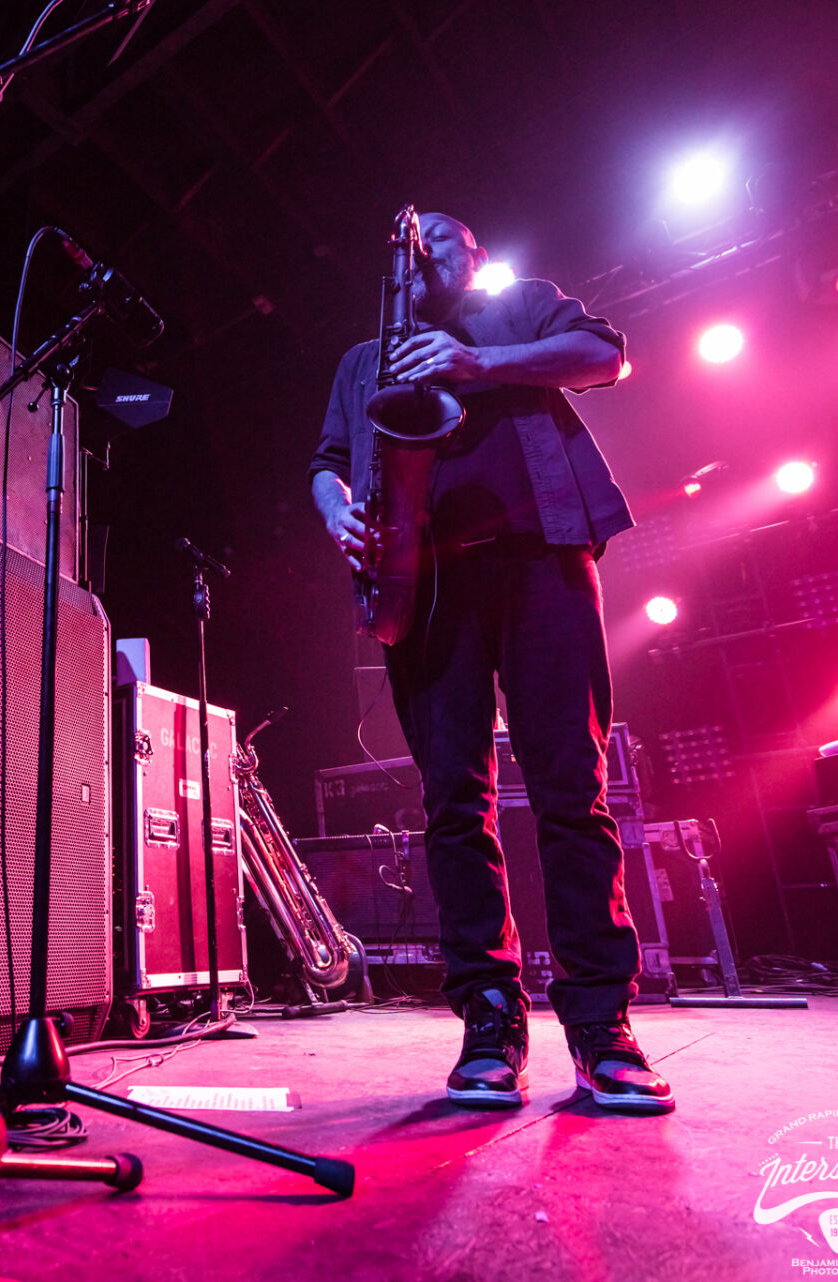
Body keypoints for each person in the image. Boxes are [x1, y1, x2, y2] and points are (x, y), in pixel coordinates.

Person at [308, 212, 674, 1115]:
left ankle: (601, 1025)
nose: (419, 243)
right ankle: (489, 1020)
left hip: (543, 558)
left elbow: (606, 356)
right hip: (424, 582)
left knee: (571, 791)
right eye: (408, 238)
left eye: (440, 234)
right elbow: (326, 463)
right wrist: (338, 511)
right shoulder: (363, 359)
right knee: (452, 806)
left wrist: (479, 363)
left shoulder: (523, 305)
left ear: (474, 257)